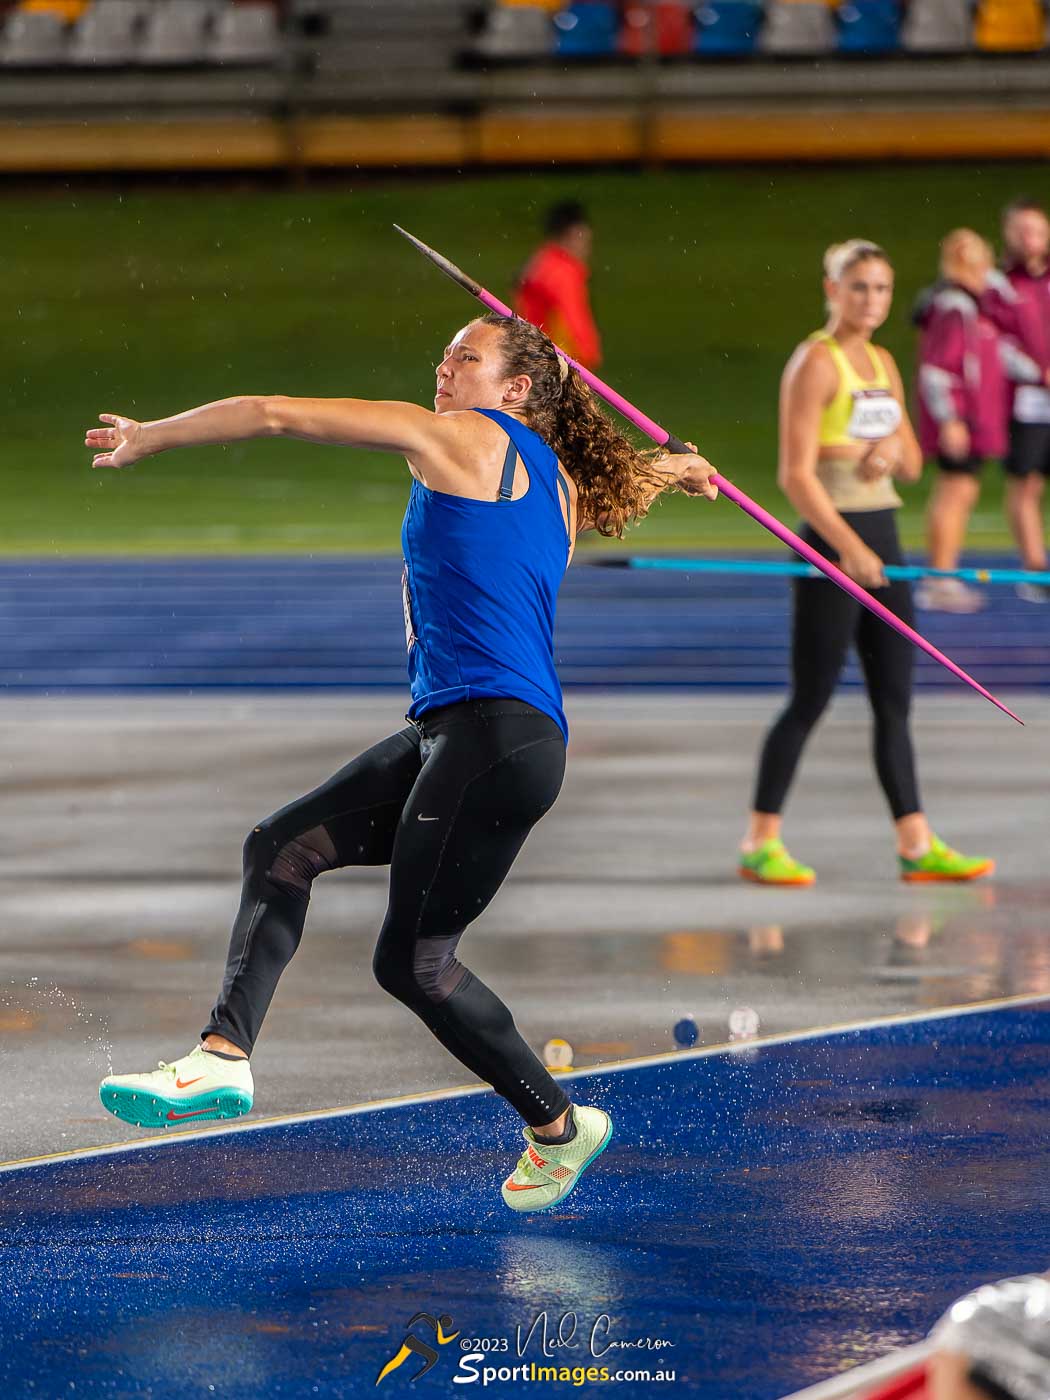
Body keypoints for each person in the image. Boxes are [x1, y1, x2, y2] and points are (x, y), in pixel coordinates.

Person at [87, 312, 718, 1213]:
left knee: (414, 965)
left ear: (516, 391)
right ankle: (220, 1060)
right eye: (445, 354)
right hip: (460, 735)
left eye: (467, 357)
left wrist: (155, 434)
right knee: (281, 846)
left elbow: (273, 412)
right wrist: (677, 467)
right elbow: (627, 479)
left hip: (495, 739)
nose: (444, 366)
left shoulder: (460, 439)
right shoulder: (566, 490)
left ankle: (561, 1126)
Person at [738, 240, 994, 888]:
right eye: (858, 288)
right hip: (830, 541)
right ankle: (759, 840)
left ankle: (915, 842)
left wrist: (883, 447)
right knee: (812, 696)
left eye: (881, 288)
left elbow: (910, 463)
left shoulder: (881, 361)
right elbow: (794, 474)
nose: (871, 300)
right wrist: (845, 548)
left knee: (895, 701)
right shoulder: (814, 364)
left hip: (881, 536)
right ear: (832, 290)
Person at [915, 229, 1045, 614]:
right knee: (954, 493)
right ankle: (940, 579)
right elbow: (938, 371)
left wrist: (1039, 374)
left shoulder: (976, 308)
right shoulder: (955, 307)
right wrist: (950, 419)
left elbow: (997, 355)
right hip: (961, 421)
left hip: (975, 421)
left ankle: (944, 574)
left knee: (961, 493)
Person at [997, 198, 1050, 602]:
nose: (1028, 237)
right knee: (1026, 484)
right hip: (1027, 402)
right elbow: (995, 342)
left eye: (1035, 228)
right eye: (1020, 229)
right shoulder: (999, 284)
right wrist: (1037, 372)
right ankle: (1036, 570)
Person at [515, 201, 602, 369]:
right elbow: (569, 321)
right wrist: (583, 358)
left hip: (536, 358)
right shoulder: (561, 272)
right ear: (573, 234)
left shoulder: (543, 263)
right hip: (557, 364)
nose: (586, 249)